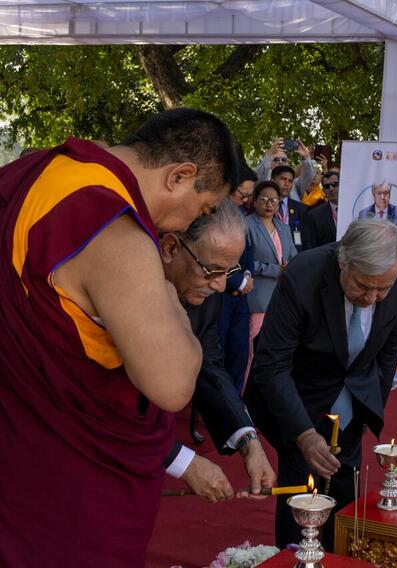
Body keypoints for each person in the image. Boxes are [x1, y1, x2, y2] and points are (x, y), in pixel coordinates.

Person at [0, 108, 238, 566]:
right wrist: (172, 303)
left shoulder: (44, 173)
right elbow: (171, 386)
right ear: (180, 177)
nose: (190, 225)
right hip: (65, 489)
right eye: (203, 209)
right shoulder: (112, 227)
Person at [243, 219, 397, 550]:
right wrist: (303, 434)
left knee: (345, 493)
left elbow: (388, 353)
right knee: (301, 496)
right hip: (299, 400)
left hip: (353, 401)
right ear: (342, 262)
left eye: (383, 289)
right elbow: (272, 364)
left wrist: (371, 405)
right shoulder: (303, 275)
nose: (373, 298)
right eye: (363, 286)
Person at [159, 200, 277, 501]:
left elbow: (208, 364)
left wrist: (249, 441)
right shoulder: (122, 289)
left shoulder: (204, 287)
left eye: (230, 271)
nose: (222, 286)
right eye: (212, 270)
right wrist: (182, 462)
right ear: (171, 248)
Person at [245, 180, 299, 383]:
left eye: (274, 200)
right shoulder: (247, 224)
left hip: (282, 299)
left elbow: (293, 255)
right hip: (258, 299)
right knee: (252, 352)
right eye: (264, 199)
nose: (269, 204)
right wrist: (276, 270)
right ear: (255, 200)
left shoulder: (284, 228)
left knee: (276, 353)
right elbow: (245, 262)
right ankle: (245, 398)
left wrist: (292, 267)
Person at [218, 161, 257, 391]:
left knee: (240, 353)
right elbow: (213, 253)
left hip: (241, 298)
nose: (245, 200)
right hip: (220, 295)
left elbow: (248, 248)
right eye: (243, 194)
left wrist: (248, 275)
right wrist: (239, 281)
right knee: (218, 353)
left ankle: (234, 405)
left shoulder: (241, 213)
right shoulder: (213, 211)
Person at [271, 164, 308, 249]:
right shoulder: (263, 206)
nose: (287, 184)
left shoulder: (300, 209)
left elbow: (304, 239)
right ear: (272, 181)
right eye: (283, 179)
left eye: (290, 181)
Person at [302, 169, 340, 250]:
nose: (331, 188)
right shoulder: (314, 216)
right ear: (324, 191)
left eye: (334, 184)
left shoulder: (355, 209)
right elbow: (311, 247)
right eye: (327, 186)